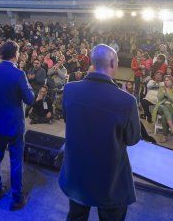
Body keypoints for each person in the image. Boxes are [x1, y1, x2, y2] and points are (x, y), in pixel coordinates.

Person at [59, 44, 141, 221]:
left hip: (77, 172)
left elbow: (68, 119)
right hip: (110, 179)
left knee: (76, 216)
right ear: (112, 63)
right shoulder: (127, 101)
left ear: (92, 62)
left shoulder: (70, 89)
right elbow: (132, 139)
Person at [0, 40, 35, 211]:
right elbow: (30, 99)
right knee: (16, 161)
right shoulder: (19, 74)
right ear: (16, 54)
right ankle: (16, 198)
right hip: (14, 124)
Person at [155, 75, 173, 142]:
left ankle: (164, 136)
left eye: (168, 80)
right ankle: (172, 127)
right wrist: (164, 91)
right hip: (161, 106)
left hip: (172, 108)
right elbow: (159, 98)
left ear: (171, 81)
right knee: (164, 107)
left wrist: (168, 92)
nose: (166, 82)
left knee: (163, 117)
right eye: (165, 80)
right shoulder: (161, 88)